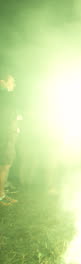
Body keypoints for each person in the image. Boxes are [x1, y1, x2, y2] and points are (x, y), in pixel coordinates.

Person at [0, 73, 19, 206]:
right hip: (4, 136)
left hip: (7, 136)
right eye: (12, 82)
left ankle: (2, 193)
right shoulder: (5, 97)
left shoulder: (7, 97)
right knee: (4, 166)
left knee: (5, 165)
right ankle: (0, 195)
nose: (14, 85)